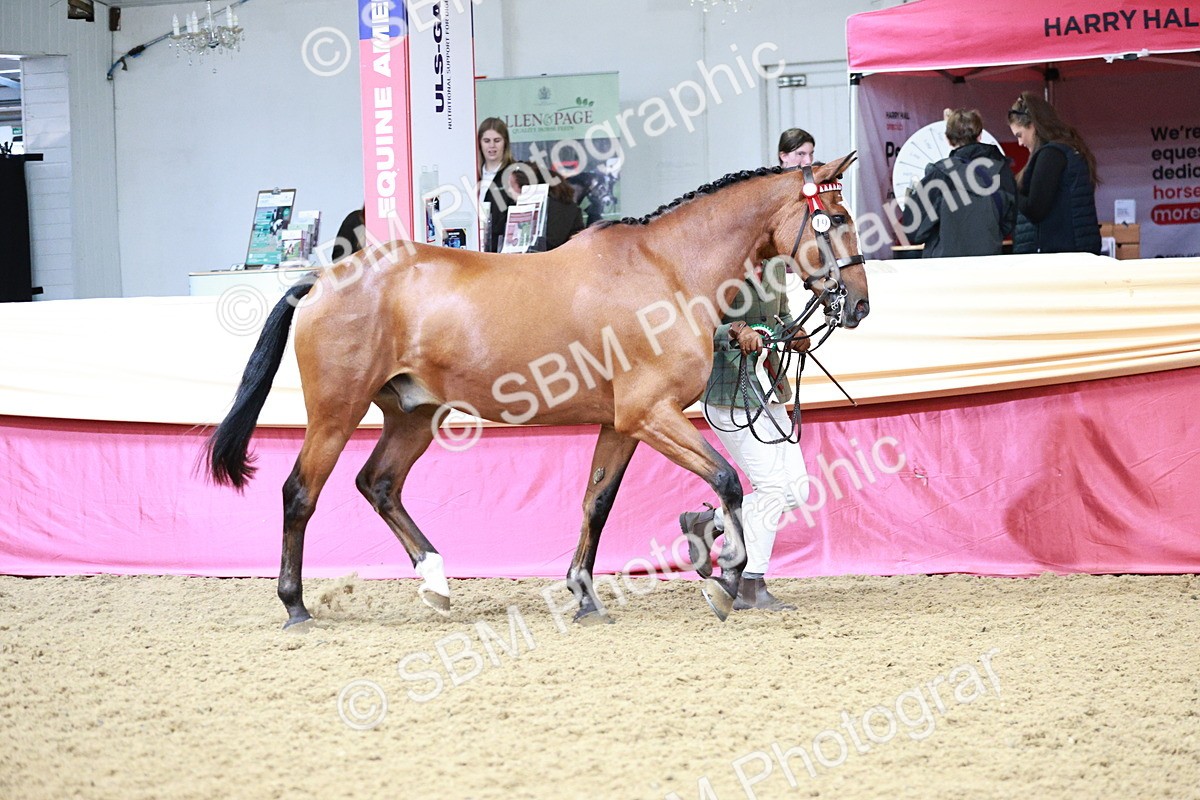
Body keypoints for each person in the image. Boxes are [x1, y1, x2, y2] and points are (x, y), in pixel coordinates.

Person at [678, 257, 812, 612]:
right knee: (770, 487)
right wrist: (734, 330)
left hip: (768, 388)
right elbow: (694, 324)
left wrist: (793, 329)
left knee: (797, 490)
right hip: (728, 393)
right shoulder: (721, 261)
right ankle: (750, 583)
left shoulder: (775, 265)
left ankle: (709, 522)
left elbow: (780, 314)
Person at [900, 108, 1017, 258]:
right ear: (980, 135)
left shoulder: (940, 174)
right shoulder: (1002, 171)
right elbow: (1009, 222)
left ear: (948, 139)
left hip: (944, 270)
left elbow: (914, 231)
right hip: (988, 267)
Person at [1006, 92, 1101, 255]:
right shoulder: (1069, 150)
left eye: (1019, 135)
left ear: (1033, 126)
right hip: (1076, 249)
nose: (1020, 143)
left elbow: (1035, 209)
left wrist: (1010, 188)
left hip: (1060, 252)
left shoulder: (1051, 155)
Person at [503, 162, 585, 252]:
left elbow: (552, 242)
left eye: (511, 185)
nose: (509, 191)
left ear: (525, 186)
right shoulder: (562, 205)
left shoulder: (557, 208)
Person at [477, 117, 516, 252]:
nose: (492, 146)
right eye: (486, 141)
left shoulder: (514, 175)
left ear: (505, 143)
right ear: (479, 143)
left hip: (501, 252)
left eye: (497, 140)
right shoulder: (472, 174)